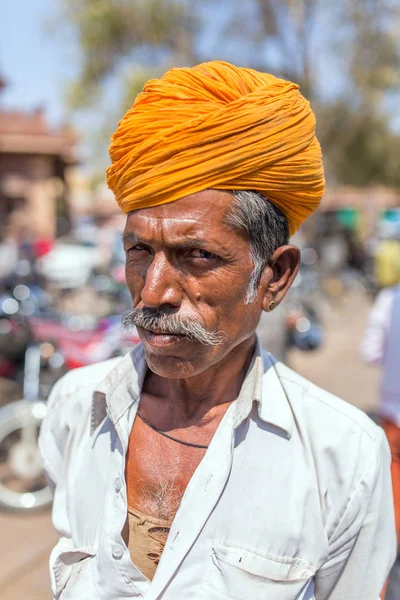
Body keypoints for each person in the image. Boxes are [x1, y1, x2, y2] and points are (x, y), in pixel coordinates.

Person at [39, 61, 395, 600]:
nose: (154, 291)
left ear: (274, 277)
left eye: (198, 255)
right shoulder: (74, 410)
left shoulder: (343, 458)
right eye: (139, 250)